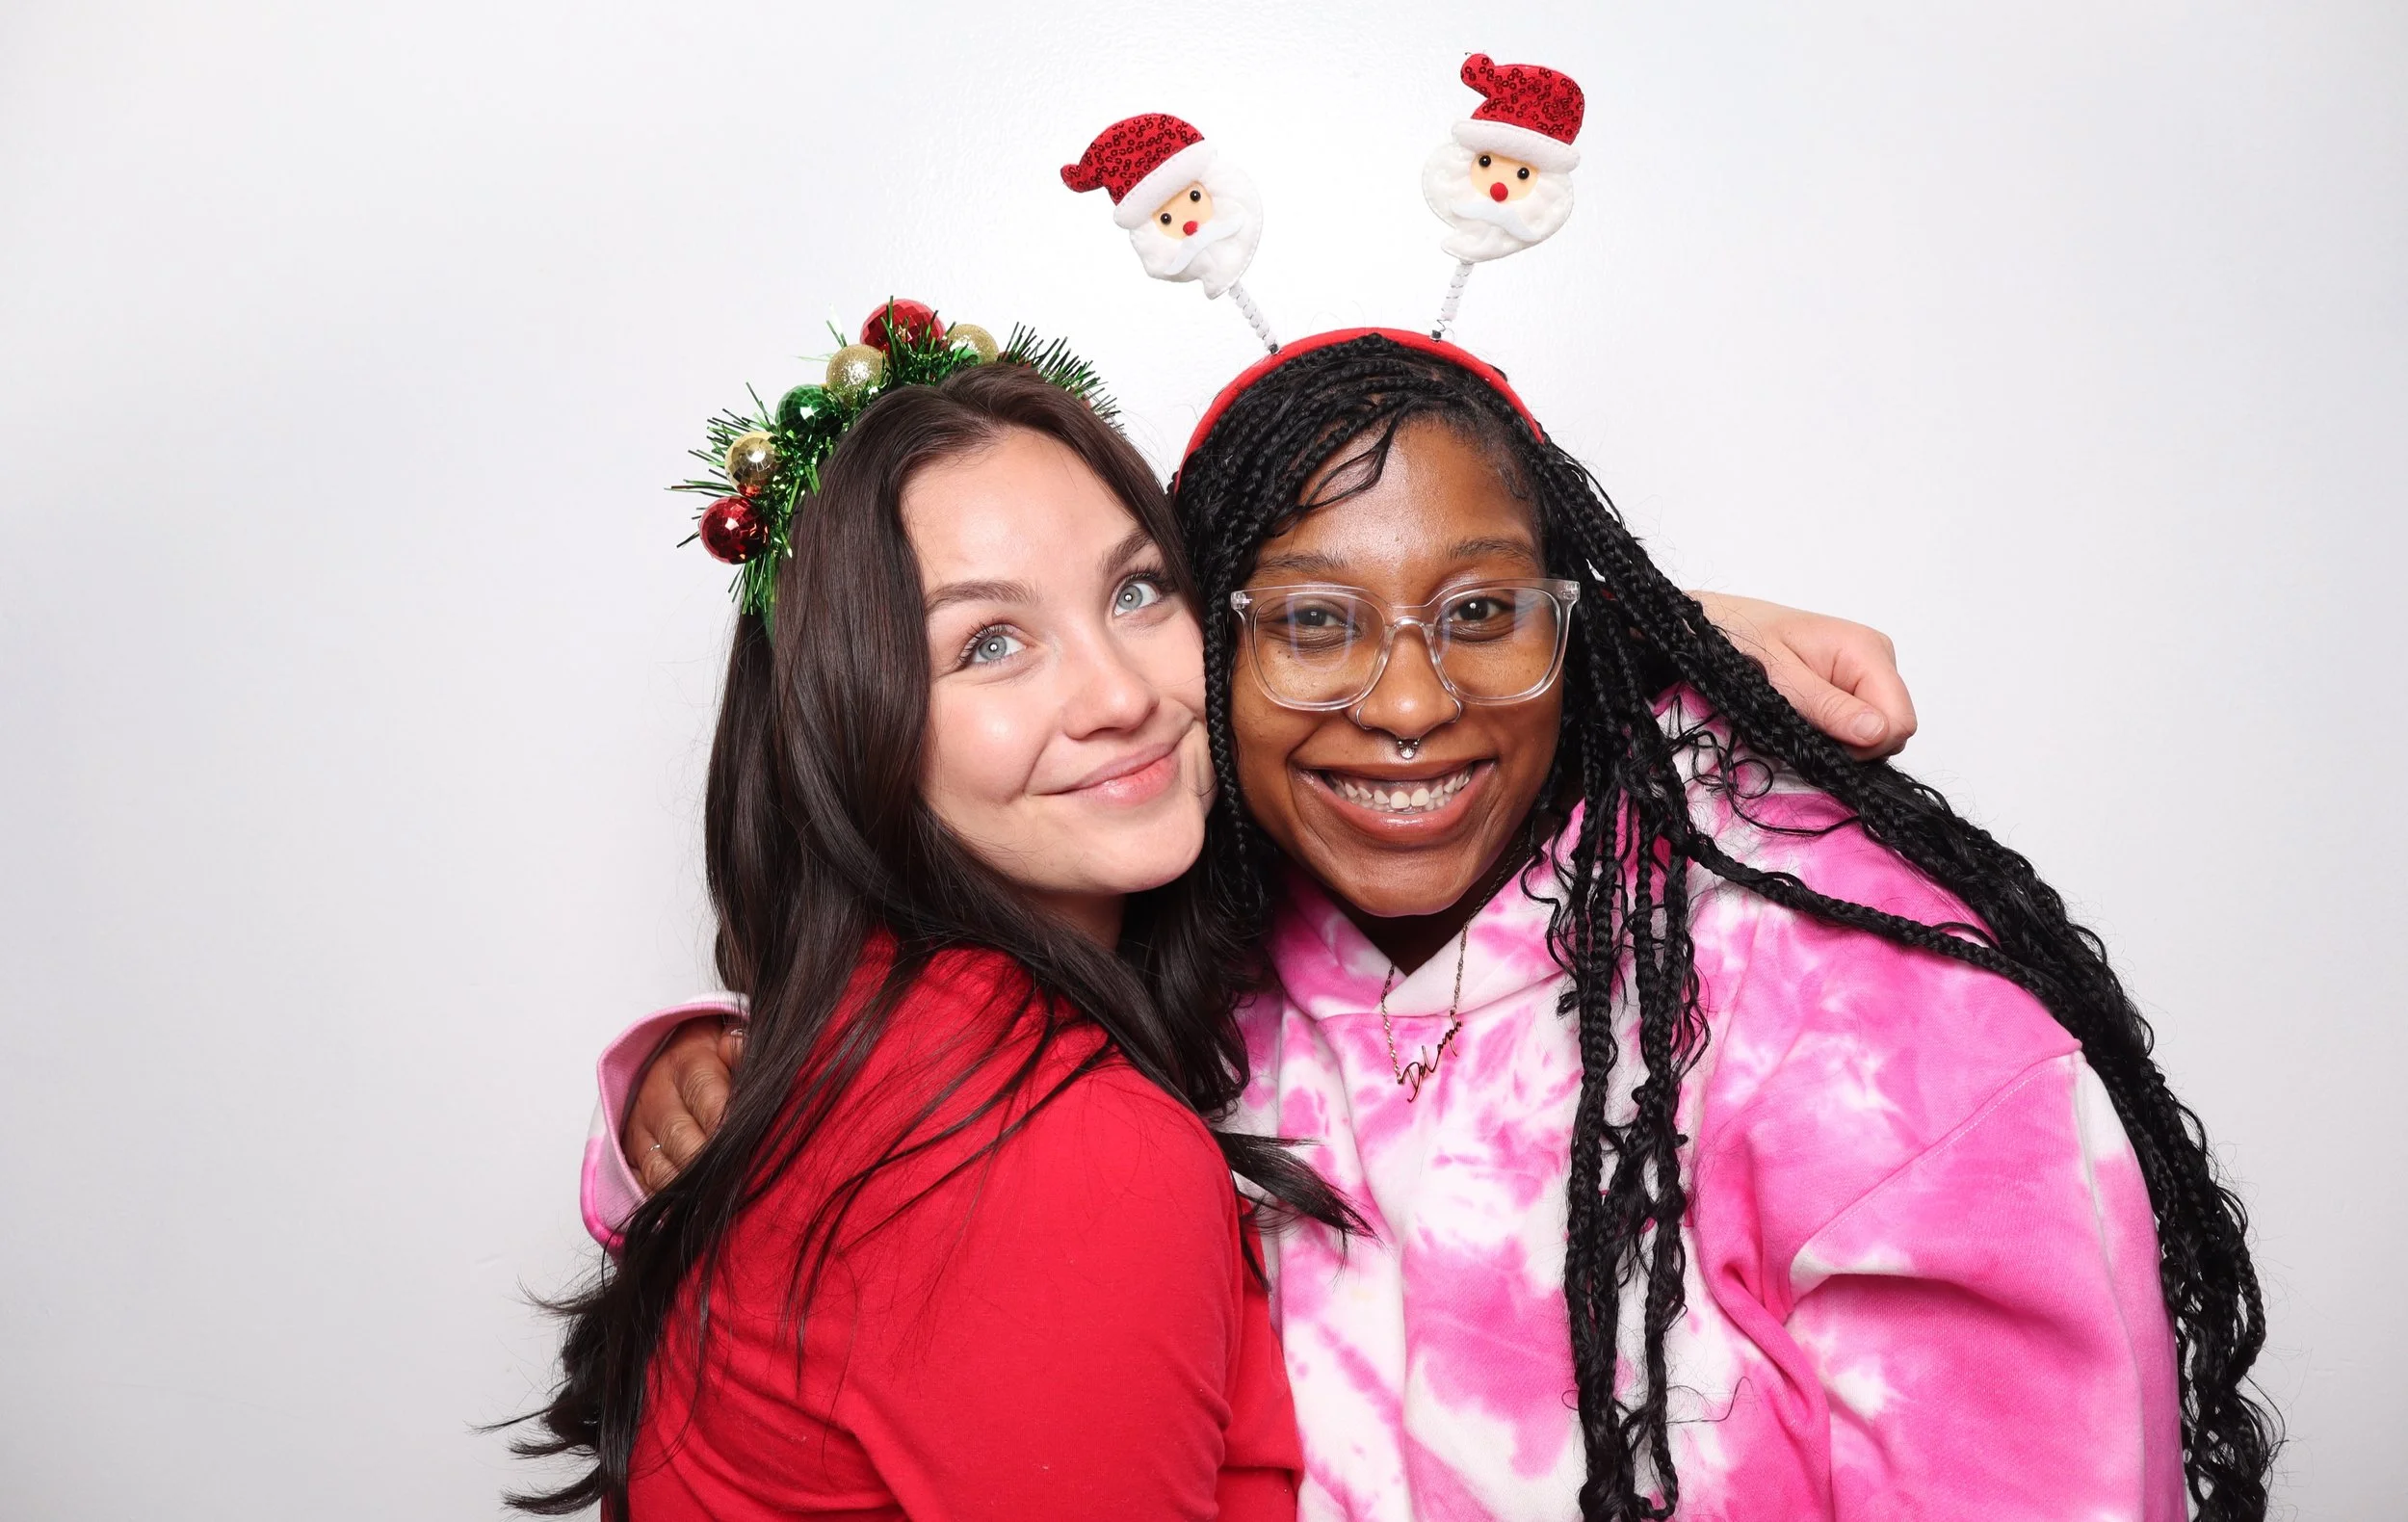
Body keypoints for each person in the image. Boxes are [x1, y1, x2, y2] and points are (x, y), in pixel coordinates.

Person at [605, 329, 2275, 1520]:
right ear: (1230, 648)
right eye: (1315, 625)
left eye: (1481, 614)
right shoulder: (1199, 944)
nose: (1405, 700)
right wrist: (698, 1080)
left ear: (1578, 624)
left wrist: (1659, 644)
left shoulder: (1880, 1037)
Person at [514, 356, 1361, 1519]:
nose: (1118, 691)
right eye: (989, 643)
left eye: (1135, 591)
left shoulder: (880, 1037)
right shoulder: (1057, 1146)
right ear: (856, 725)